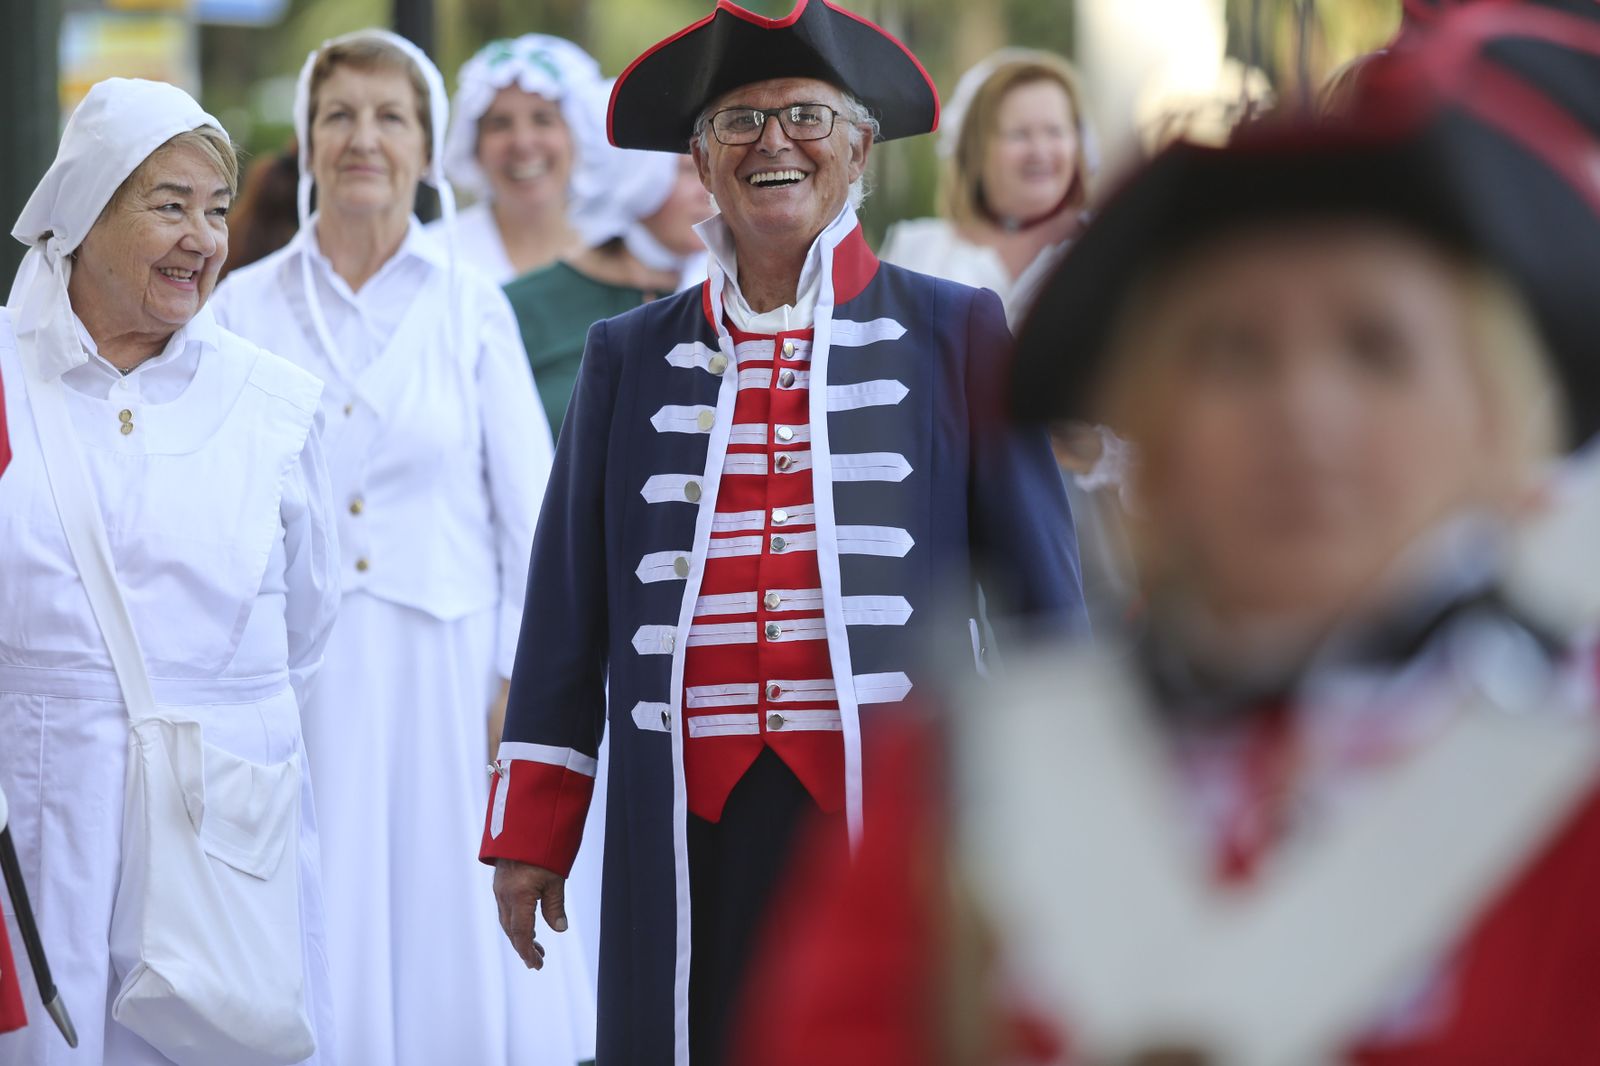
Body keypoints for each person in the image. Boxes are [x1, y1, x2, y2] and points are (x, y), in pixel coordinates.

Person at [733, 7, 1600, 1063]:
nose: (1304, 411)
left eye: (1377, 348)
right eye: (1231, 353)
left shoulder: (1569, 780)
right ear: (1141, 421)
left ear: (1494, 422)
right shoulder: (972, 785)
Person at [478, 2, 1088, 1064]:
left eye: (806, 115)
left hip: (887, 809)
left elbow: (1043, 593)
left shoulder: (954, 330)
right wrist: (534, 829)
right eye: (737, 124)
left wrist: (1086, 800)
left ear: (856, 150)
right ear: (701, 168)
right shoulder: (630, 353)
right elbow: (568, 603)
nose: (773, 144)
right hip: (684, 809)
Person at [210, 30, 592, 1066]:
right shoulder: (242, 307)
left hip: (450, 673)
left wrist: (522, 677)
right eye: (339, 115)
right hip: (301, 684)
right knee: (316, 905)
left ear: (426, 147)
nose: (363, 138)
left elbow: (533, 513)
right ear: (306, 138)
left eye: (390, 117)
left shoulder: (471, 306)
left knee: (441, 913)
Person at [0, 77, 340, 1065]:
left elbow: (311, 623)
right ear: (83, 213)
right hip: (36, 822)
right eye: (169, 204)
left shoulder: (273, 404)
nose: (203, 234)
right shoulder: (6, 383)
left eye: (218, 208)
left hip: (219, 836)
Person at [507, 123, 711, 434]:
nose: (706, 190)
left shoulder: (727, 298)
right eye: (686, 169)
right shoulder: (518, 306)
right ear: (633, 175)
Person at [879, 48, 1094, 328]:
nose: (1040, 151)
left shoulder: (1106, 244)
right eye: (1019, 134)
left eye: (1055, 131)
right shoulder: (915, 253)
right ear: (976, 149)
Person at [437, 34, 604, 283]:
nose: (523, 143)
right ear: (474, 145)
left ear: (577, 136)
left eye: (543, 120)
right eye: (500, 124)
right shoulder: (438, 257)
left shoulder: (617, 251)